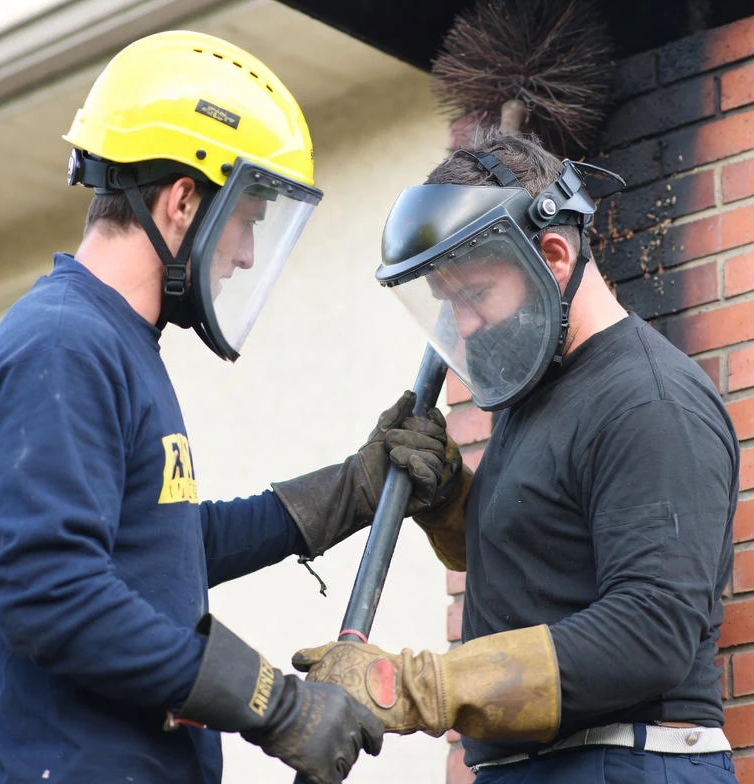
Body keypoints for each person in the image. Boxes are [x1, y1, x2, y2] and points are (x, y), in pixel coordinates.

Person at [0, 30, 462, 784]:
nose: (244, 255)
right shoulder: (63, 346)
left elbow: (156, 545)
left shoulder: (113, 342)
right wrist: (276, 705)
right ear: (183, 199)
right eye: (248, 219)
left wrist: (347, 494)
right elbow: (52, 590)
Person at [293, 129, 740, 784]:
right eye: (450, 305)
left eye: (474, 295)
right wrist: (447, 499)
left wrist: (409, 687)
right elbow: (539, 562)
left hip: (624, 763)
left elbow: (651, 633)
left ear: (554, 255)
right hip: (543, 765)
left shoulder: (648, 400)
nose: (464, 326)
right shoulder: (541, 395)